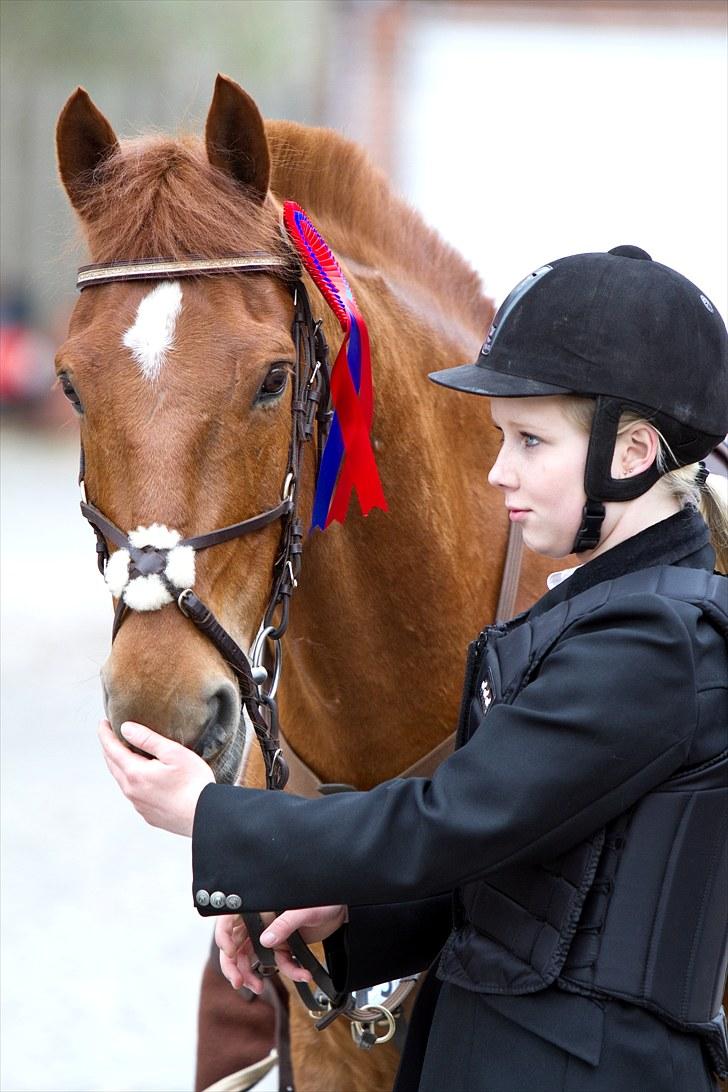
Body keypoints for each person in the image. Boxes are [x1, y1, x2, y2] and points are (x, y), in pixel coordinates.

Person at [99, 245, 728, 1091]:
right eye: (503, 439)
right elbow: (527, 876)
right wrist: (348, 903)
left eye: (531, 440)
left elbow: (454, 820)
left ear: (632, 453)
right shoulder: (599, 610)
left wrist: (214, 818)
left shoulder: (658, 641)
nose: (499, 470)